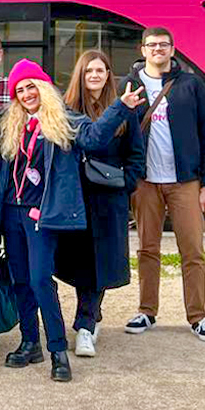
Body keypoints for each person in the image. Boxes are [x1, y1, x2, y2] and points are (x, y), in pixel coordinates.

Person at [0, 59, 141, 383]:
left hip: (42, 214)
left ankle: (58, 351)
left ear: (44, 87)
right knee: (20, 280)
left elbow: (95, 138)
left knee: (40, 280)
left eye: (31, 86)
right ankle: (30, 342)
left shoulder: (63, 120)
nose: (26, 93)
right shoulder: (12, 125)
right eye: (19, 90)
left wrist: (121, 107)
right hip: (12, 211)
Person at [122, 26, 205, 342]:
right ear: (142, 50)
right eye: (152, 45)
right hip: (145, 182)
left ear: (173, 49)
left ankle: (198, 316)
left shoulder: (190, 85)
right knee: (146, 249)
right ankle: (146, 310)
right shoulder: (128, 86)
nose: (157, 50)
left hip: (185, 182)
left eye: (163, 45)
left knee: (192, 250)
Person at [58, 50, 146, 358]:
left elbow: (137, 153)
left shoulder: (126, 108)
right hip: (75, 197)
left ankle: (84, 324)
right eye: (89, 71)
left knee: (100, 263)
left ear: (109, 74)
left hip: (109, 198)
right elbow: (89, 140)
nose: (95, 75)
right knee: (78, 262)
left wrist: (126, 183)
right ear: (80, 76)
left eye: (101, 70)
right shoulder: (67, 109)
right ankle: (90, 316)